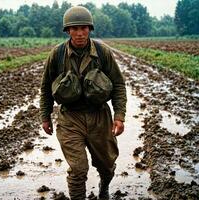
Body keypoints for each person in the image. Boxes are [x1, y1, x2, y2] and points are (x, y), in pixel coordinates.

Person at [40, 6, 127, 200]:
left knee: (107, 165)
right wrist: (45, 116)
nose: (80, 33)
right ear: (68, 31)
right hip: (70, 118)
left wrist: (119, 116)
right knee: (78, 169)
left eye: (84, 28)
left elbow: (119, 85)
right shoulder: (57, 54)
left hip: (99, 117)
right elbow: (46, 87)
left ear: (90, 29)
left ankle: (104, 189)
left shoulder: (103, 52)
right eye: (75, 28)